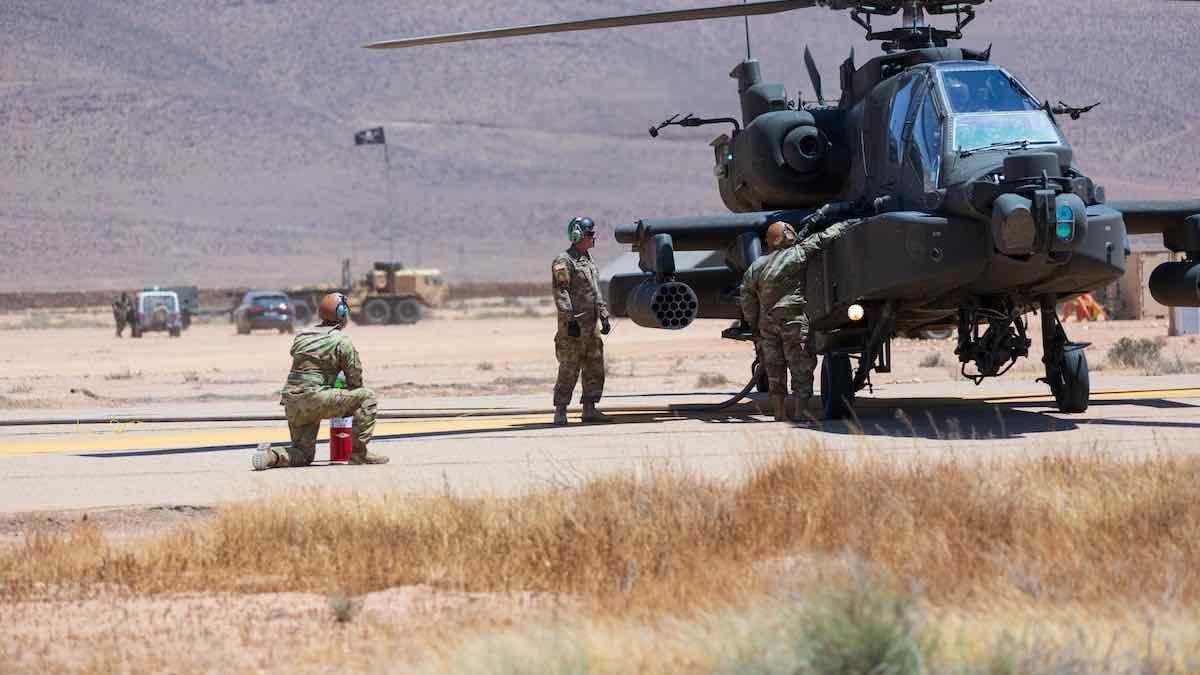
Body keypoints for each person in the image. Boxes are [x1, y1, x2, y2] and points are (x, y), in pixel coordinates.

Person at [252, 293, 388, 470]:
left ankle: (271, 457)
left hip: (292, 401)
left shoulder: (302, 336)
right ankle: (359, 454)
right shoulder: (341, 340)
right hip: (316, 397)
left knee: (303, 454)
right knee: (366, 397)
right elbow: (355, 379)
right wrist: (346, 403)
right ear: (342, 314)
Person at [740, 221, 810, 421]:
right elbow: (822, 240)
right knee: (800, 365)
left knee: (774, 368)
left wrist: (754, 322)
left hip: (767, 325)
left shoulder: (758, 265)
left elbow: (746, 295)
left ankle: (779, 413)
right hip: (793, 322)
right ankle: (801, 413)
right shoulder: (798, 254)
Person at [551, 216, 614, 425]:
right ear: (577, 235)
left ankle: (590, 408)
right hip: (574, 326)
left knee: (594, 365)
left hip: (591, 326)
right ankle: (561, 410)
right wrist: (570, 320)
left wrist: (603, 315)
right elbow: (561, 292)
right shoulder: (564, 261)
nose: (594, 237)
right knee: (569, 366)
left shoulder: (587, 260)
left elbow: (595, 291)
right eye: (590, 234)